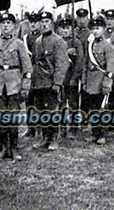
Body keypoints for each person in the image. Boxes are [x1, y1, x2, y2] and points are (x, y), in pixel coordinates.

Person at [0, 12, 32, 161]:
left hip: (14, 85)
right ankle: (4, 147)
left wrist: (25, 87)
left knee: (12, 118)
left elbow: (28, 69)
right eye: (3, 23)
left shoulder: (18, 44)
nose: (6, 26)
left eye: (9, 23)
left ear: (14, 26)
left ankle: (14, 148)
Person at [32, 12, 69, 151]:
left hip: (51, 82)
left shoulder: (59, 41)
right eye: (41, 21)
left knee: (52, 111)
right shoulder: (37, 41)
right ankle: (44, 136)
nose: (44, 24)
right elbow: (35, 62)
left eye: (47, 21)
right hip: (39, 82)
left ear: (52, 23)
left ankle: (54, 138)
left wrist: (57, 83)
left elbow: (62, 63)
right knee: (41, 111)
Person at [81, 16, 114, 145]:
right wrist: (84, 81)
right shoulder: (90, 45)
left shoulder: (108, 46)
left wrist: (107, 83)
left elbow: (111, 66)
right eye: (93, 29)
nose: (95, 31)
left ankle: (102, 134)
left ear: (104, 29)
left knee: (102, 109)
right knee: (93, 108)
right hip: (90, 82)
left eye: (98, 28)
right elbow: (85, 64)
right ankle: (94, 133)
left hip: (101, 81)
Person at [56, 16, 83, 138]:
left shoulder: (76, 42)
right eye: (62, 28)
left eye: (67, 28)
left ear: (72, 29)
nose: (65, 31)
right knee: (60, 103)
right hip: (60, 78)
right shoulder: (57, 42)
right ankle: (61, 126)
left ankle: (73, 127)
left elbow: (79, 62)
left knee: (72, 103)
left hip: (71, 77)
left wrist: (74, 77)